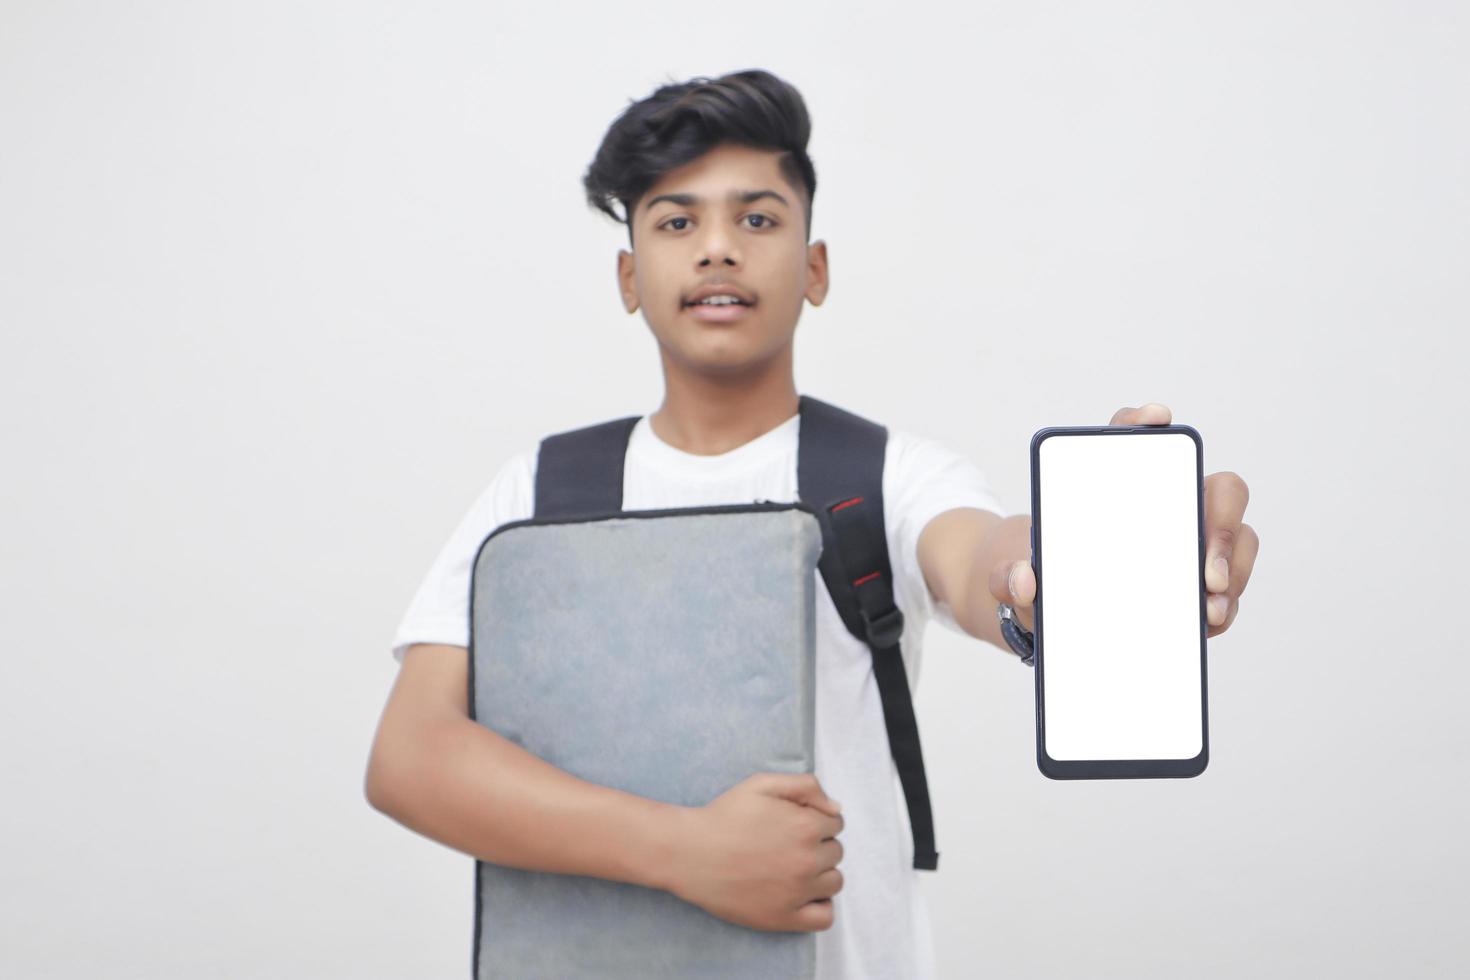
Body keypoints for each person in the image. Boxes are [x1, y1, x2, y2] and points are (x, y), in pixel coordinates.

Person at [364, 68, 1256, 979]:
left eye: (757, 218)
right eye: (677, 221)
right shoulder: (543, 492)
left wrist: (1076, 557)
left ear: (816, 268)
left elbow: (987, 557)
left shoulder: (887, 477)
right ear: (630, 277)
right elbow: (411, 756)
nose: (718, 249)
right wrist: (685, 851)